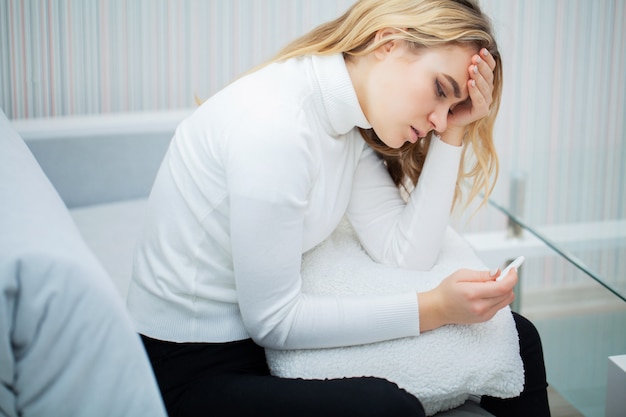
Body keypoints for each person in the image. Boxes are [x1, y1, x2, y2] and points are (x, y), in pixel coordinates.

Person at [127, 0, 550, 416]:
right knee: (388, 408)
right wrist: (435, 307)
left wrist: (456, 128)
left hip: (255, 346)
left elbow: (406, 253)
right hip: (192, 366)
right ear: (389, 42)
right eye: (441, 91)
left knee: (517, 337)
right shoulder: (278, 127)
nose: (438, 119)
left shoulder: (344, 121)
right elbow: (275, 321)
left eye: (452, 106)